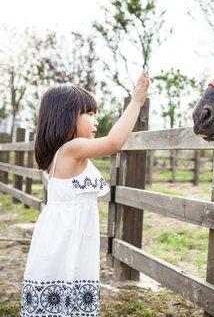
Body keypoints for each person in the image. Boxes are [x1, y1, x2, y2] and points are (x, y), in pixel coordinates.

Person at [19, 72, 150, 316]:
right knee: (62, 283)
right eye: (89, 114)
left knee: (65, 284)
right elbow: (113, 143)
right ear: (66, 117)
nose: (95, 121)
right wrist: (136, 102)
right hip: (66, 234)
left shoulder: (66, 151)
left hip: (67, 233)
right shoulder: (72, 148)